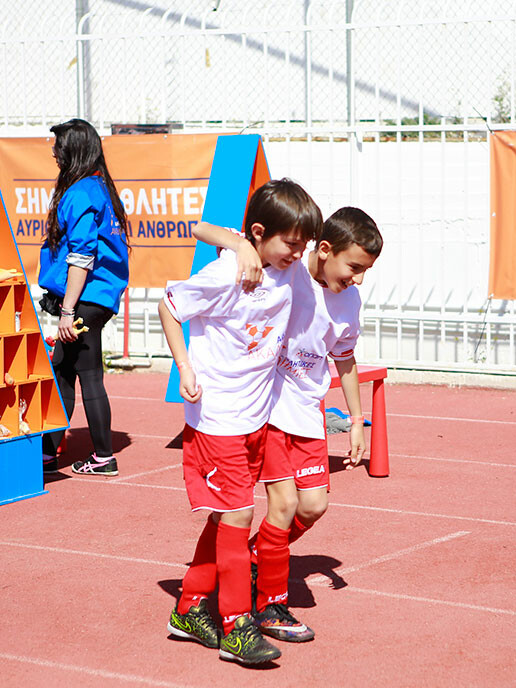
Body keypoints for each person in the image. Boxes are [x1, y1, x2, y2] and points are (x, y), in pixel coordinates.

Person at [193, 206, 382, 643]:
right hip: (269, 406)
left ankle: (252, 557)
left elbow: (345, 359)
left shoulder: (349, 300)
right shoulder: (289, 270)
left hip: (308, 412)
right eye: (354, 267)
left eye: (365, 271)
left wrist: (356, 420)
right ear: (324, 249)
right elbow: (202, 228)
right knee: (281, 505)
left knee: (312, 506)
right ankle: (270, 605)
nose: (358, 279)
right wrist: (241, 245)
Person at [159, 178, 320, 666]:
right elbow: (169, 306)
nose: (298, 253)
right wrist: (185, 367)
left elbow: (322, 259)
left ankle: (189, 608)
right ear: (260, 234)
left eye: (304, 245)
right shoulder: (227, 272)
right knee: (238, 516)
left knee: (226, 515)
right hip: (219, 418)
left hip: (259, 415)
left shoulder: (289, 268)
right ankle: (236, 625)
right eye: (291, 243)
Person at [37, 119, 129, 477]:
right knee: (63, 370)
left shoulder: (81, 193)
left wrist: (67, 311)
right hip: (96, 296)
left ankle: (104, 457)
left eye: (58, 146)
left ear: (74, 150)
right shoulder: (99, 187)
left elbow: (82, 256)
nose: (54, 152)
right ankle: (48, 453)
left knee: (87, 375)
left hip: (87, 298)